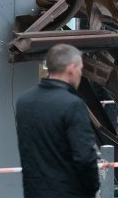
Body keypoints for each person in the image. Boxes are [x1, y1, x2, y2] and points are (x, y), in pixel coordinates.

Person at [15, 43, 100, 198]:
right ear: (71, 68)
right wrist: (91, 189)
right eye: (80, 69)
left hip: (33, 191)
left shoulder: (24, 102)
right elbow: (85, 158)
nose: (80, 74)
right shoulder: (72, 104)